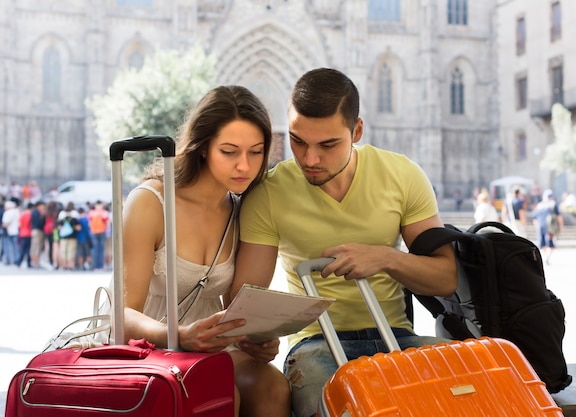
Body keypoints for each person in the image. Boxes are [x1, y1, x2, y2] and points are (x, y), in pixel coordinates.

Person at [229, 68, 457, 417]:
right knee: (341, 406)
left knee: (470, 388)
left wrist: (385, 258)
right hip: (314, 343)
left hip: (397, 335)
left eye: (328, 145)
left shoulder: (402, 175)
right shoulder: (269, 192)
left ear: (357, 131)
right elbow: (244, 296)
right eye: (297, 141)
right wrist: (257, 335)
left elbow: (446, 278)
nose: (309, 159)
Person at [119, 85, 290, 417]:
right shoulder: (150, 202)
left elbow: (237, 305)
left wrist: (252, 338)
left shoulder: (243, 209)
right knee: (219, 392)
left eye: (256, 152)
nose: (245, 165)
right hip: (146, 344)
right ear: (202, 147)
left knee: (272, 386)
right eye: (229, 151)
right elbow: (123, 316)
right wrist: (180, 336)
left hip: (208, 346)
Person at [532, 189, 563, 265]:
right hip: (550, 227)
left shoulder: (539, 205)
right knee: (551, 244)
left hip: (540, 226)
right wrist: (561, 227)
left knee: (542, 244)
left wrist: (536, 227)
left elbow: (534, 218)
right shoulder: (553, 204)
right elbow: (559, 217)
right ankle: (547, 258)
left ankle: (545, 257)